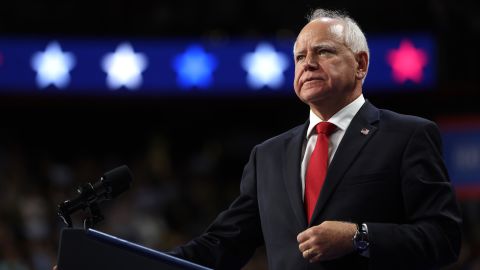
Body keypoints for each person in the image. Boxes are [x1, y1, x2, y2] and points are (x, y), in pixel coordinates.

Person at [53, 7, 462, 270]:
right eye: (300, 56)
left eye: (323, 52)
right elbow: (218, 247)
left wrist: (359, 236)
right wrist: (114, 263)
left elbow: (443, 239)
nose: (308, 63)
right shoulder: (269, 156)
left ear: (361, 65)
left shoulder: (408, 135)